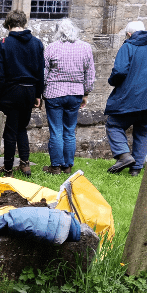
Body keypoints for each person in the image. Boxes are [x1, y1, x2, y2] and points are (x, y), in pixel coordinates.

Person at [104, 20, 147, 176]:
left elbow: (119, 71)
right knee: (144, 132)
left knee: (114, 124)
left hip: (129, 97)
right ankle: (136, 169)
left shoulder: (128, 46)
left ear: (129, 34)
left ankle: (124, 155)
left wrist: (112, 81)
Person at [0, 9, 45, 178]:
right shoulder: (37, 43)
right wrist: (38, 94)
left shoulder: (3, 44)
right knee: (21, 127)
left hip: (10, 92)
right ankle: (25, 165)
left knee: (10, 131)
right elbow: (40, 72)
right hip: (29, 91)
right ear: (23, 23)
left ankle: (8, 169)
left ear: (8, 25)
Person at [42, 18, 95, 175]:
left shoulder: (51, 48)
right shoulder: (85, 48)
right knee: (70, 131)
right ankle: (67, 166)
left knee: (56, 130)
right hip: (75, 93)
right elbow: (90, 74)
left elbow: (44, 73)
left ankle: (55, 166)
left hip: (54, 93)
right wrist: (86, 93)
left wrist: (41, 91)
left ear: (58, 32)